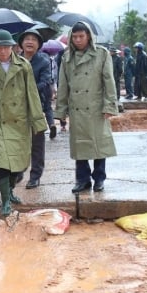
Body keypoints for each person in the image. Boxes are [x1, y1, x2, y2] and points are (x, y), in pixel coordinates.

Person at [0, 29, 47, 216]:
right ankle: (5, 199)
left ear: (12, 47)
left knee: (19, 163)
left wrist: (38, 121)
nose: (2, 51)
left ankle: (11, 191)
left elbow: (32, 93)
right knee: (1, 162)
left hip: (19, 120)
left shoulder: (24, 66)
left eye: (5, 47)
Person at [56, 21, 117, 193]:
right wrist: (61, 110)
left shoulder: (101, 54)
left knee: (98, 145)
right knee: (79, 145)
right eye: (74, 37)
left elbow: (109, 81)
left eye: (81, 36)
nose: (78, 40)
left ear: (88, 36)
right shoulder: (66, 57)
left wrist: (109, 105)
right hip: (77, 108)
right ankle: (82, 179)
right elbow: (63, 85)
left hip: (96, 107)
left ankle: (99, 179)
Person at [18, 28, 55, 188]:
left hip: (36, 106)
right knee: (19, 142)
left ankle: (35, 175)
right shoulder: (15, 60)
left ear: (38, 44)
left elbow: (45, 82)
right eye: (27, 39)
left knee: (37, 144)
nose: (30, 42)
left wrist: (27, 90)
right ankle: (18, 171)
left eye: (33, 39)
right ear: (21, 43)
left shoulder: (43, 61)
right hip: (17, 108)